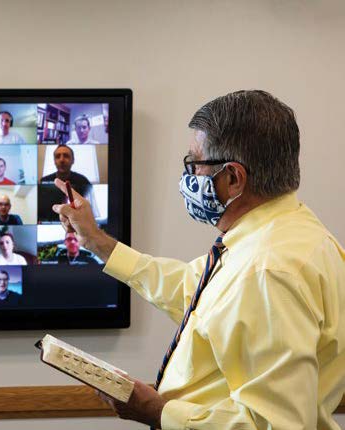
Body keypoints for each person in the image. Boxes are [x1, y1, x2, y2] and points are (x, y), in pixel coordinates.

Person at [51, 90, 345, 429]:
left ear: (233, 178)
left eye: (195, 163)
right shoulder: (292, 234)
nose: (189, 177)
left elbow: (275, 425)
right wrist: (98, 243)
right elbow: (197, 293)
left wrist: (157, 411)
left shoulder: (267, 270)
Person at [38, 145, 92, 222]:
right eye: (57, 156)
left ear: (73, 160)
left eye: (66, 156)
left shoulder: (83, 180)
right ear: (54, 161)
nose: (62, 160)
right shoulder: (44, 180)